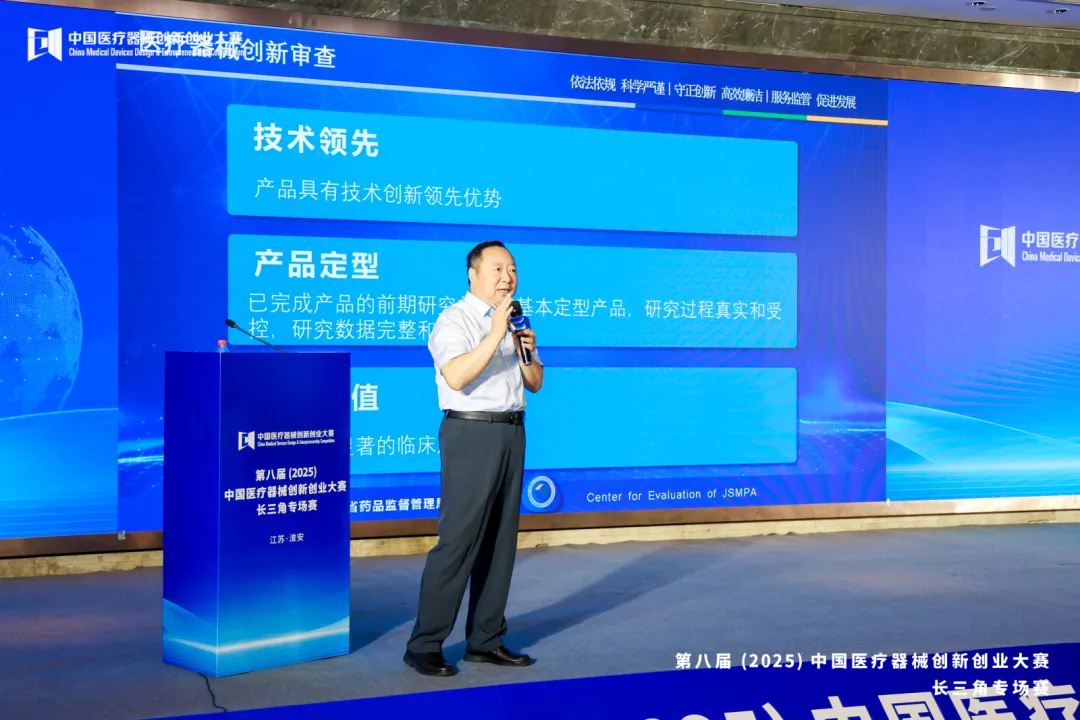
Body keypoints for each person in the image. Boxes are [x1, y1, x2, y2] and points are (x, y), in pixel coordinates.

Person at [403, 240, 544, 677]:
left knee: (500, 542)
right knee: (459, 540)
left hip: (511, 430)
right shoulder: (455, 319)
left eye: (512, 269)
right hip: (471, 432)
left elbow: (535, 382)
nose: (507, 277)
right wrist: (495, 333)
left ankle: (486, 640)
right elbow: (457, 375)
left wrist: (525, 350)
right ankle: (425, 644)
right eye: (498, 268)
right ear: (473, 274)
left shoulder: (515, 321)